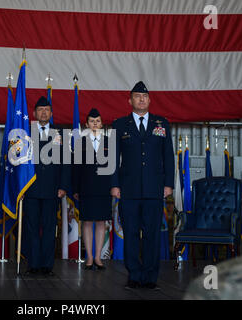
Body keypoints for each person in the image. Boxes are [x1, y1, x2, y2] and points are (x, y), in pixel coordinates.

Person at [110, 81, 174, 290]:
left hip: (155, 189)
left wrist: (168, 184)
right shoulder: (120, 124)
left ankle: (150, 277)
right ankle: (134, 275)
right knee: (130, 234)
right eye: (137, 96)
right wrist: (114, 185)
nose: (141, 99)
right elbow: (113, 157)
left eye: (145, 96)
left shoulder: (161, 123)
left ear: (149, 100)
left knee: (152, 235)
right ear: (130, 101)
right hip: (128, 189)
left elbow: (168, 156)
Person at [23, 96, 70, 276]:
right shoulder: (26, 133)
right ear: (34, 113)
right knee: (32, 228)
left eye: (47, 109)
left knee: (50, 228)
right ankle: (33, 265)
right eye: (40, 109)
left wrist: (63, 186)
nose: (43, 112)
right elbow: (20, 162)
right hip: (31, 188)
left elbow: (66, 164)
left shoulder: (60, 134)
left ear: (51, 113)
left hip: (53, 189)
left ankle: (47, 266)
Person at [73, 108, 112, 270]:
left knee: (101, 222)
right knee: (87, 223)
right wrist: (75, 188)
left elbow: (114, 167)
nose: (95, 124)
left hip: (104, 188)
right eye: (91, 121)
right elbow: (75, 168)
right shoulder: (80, 143)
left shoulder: (109, 143)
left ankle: (98, 257)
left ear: (102, 124)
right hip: (86, 187)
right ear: (86, 124)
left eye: (97, 121)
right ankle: (89, 257)